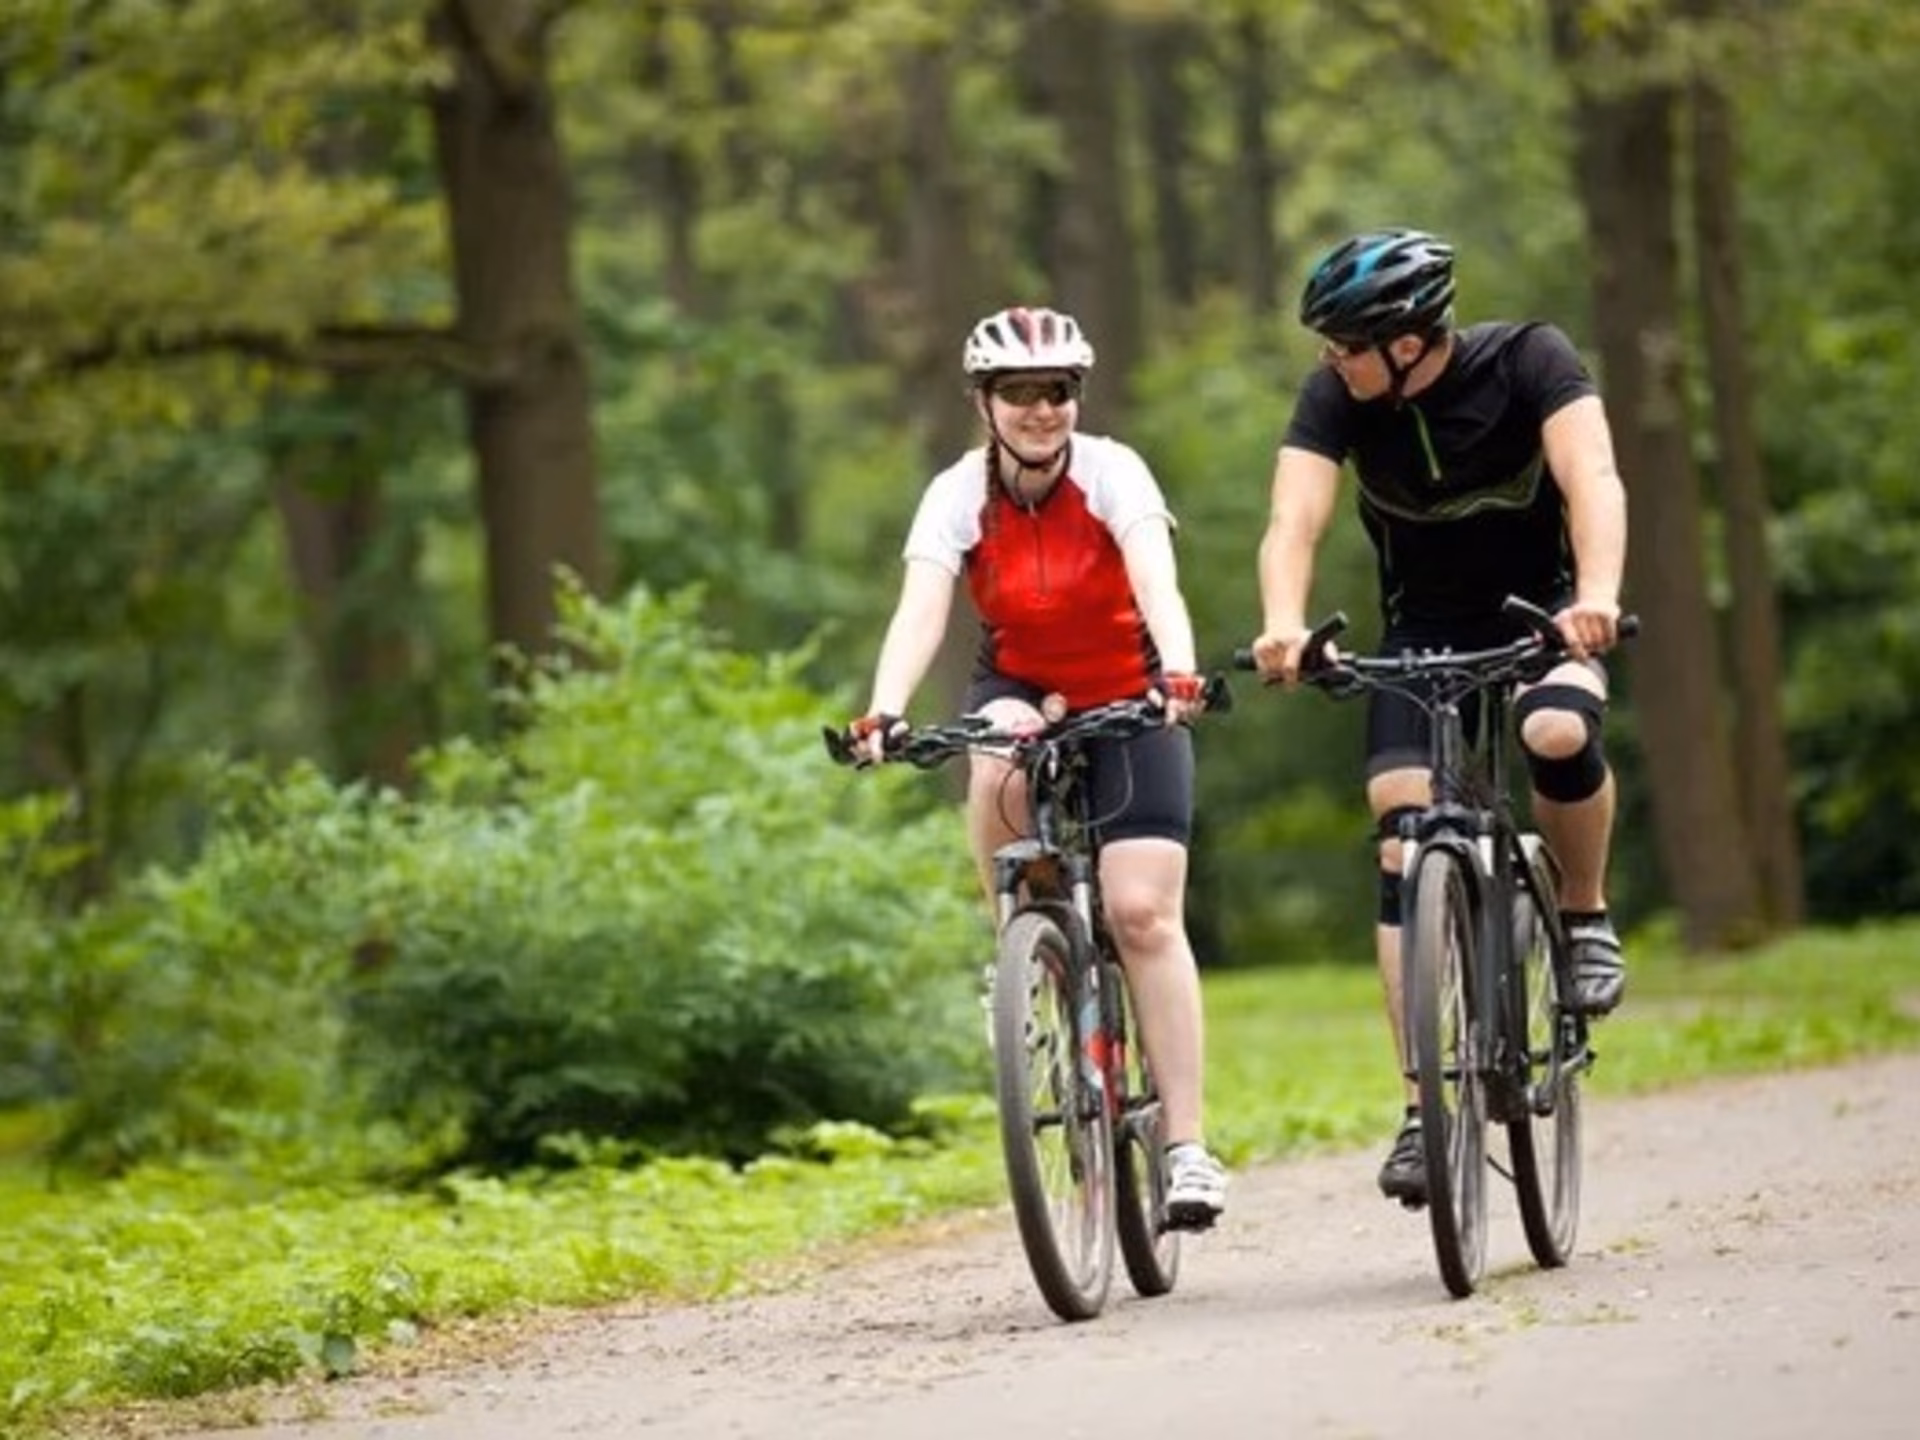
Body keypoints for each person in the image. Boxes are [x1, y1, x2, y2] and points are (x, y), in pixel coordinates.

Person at [1246, 229, 1630, 1209]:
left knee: (1555, 734)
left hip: (1544, 611)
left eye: (1345, 345)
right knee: (1400, 838)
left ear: (1408, 341)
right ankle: (1424, 1108)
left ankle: (1583, 916)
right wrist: (1284, 625)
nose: (1331, 363)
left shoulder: (1531, 360)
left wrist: (1594, 596)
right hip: (1422, 631)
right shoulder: (1338, 397)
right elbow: (1294, 518)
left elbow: (1593, 478)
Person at [844, 304, 1227, 1229]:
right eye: (1017, 393)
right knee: (996, 764)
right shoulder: (955, 493)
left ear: (1075, 397)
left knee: (1141, 913)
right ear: (983, 403)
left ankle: (1186, 1148)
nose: (1039, 410)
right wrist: (884, 710)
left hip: (1129, 688)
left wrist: (1177, 671)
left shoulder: (1112, 471)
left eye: (1055, 391)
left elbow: (1155, 581)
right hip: (1020, 677)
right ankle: (1017, 948)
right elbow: (922, 610)